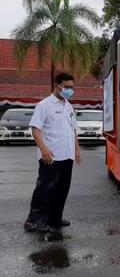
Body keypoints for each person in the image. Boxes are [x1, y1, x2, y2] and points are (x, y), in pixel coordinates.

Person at [23, 72, 81, 235]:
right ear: (57, 86)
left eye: (72, 87)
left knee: (62, 189)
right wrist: (44, 150)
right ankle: (33, 221)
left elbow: (73, 130)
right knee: (45, 189)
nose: (70, 90)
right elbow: (35, 129)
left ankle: (54, 218)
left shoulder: (68, 105)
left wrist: (76, 149)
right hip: (51, 156)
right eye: (67, 87)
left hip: (67, 155)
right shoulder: (45, 105)